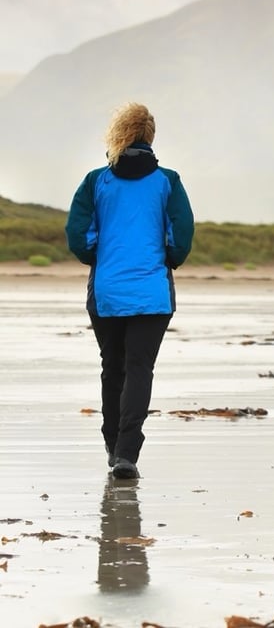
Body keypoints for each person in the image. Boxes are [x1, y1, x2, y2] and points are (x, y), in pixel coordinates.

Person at [66, 103, 194, 479]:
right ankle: (126, 454)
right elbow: (181, 234)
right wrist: (169, 259)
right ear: (150, 137)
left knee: (112, 367)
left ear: (117, 135)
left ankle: (112, 445)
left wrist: (99, 258)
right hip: (153, 293)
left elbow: (78, 234)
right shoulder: (168, 181)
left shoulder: (96, 181)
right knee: (140, 369)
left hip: (107, 290)